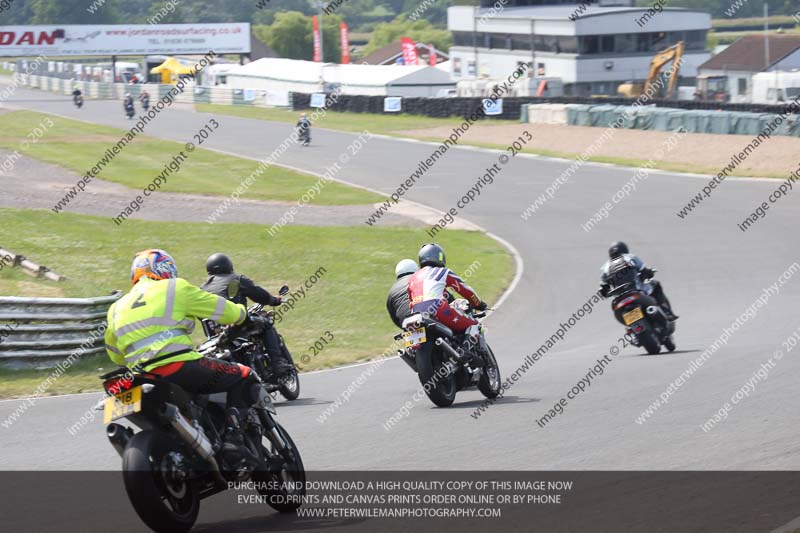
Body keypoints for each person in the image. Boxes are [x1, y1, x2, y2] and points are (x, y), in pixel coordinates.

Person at [104, 249, 267, 464]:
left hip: (138, 376)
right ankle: (233, 441)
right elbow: (222, 310)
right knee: (244, 375)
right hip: (178, 365)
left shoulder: (116, 307)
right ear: (165, 268)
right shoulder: (174, 287)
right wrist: (244, 315)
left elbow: (115, 355)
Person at [200, 253, 292, 374]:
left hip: (214, 334)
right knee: (266, 324)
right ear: (228, 265)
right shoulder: (236, 280)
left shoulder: (202, 288)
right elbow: (259, 294)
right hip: (237, 324)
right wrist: (274, 300)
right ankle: (278, 363)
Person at [407, 243, 488, 336]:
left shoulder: (412, 278)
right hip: (437, 309)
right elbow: (465, 290)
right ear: (439, 257)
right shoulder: (442, 272)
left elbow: (411, 300)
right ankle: (466, 348)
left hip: (414, 315)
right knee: (476, 326)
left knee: (412, 347)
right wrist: (479, 304)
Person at [599, 241, 678, 320]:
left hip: (619, 301)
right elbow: (645, 271)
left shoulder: (605, 268)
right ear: (624, 249)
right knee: (656, 285)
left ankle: (631, 331)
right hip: (636, 291)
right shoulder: (630, 257)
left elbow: (603, 289)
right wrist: (650, 273)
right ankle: (667, 312)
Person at [387, 259, 418, 329]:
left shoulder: (392, 290)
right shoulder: (420, 280)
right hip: (425, 316)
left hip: (407, 324)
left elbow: (393, 315)